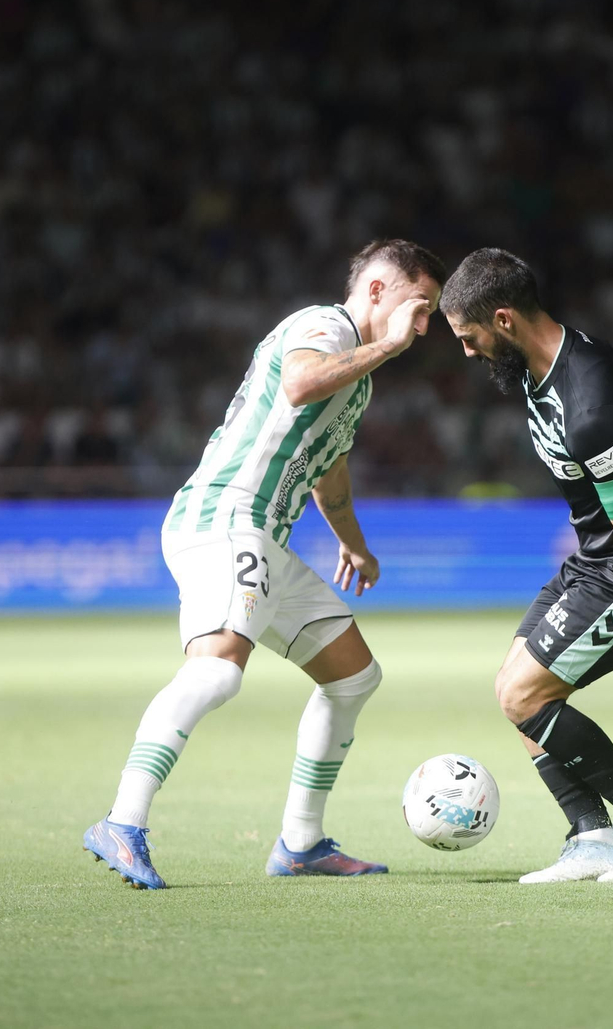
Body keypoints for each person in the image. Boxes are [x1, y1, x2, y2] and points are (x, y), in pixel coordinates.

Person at [83, 240, 446, 887]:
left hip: (262, 542)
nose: (422, 328)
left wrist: (354, 542)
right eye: (419, 308)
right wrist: (387, 345)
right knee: (219, 673)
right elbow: (301, 383)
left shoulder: (356, 377)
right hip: (225, 518)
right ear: (376, 292)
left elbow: (327, 472)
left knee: (354, 677)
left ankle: (301, 844)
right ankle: (123, 820)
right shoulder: (324, 326)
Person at [440, 248, 613, 883]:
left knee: (524, 693)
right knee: (515, 686)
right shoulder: (539, 367)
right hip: (598, 555)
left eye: (469, 338)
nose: (468, 353)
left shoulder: (588, 402)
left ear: (502, 320)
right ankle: (590, 833)